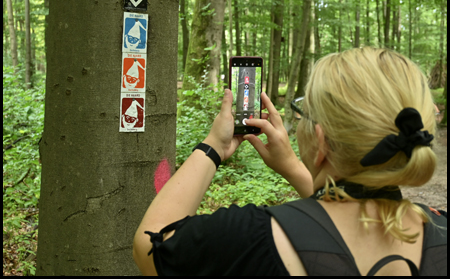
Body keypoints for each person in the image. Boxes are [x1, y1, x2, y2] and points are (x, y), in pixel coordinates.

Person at [133, 47, 447, 276]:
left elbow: (151, 242)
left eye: (303, 112)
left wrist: (214, 145)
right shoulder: (441, 230)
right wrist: (296, 170)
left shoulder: (249, 237)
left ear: (320, 140)